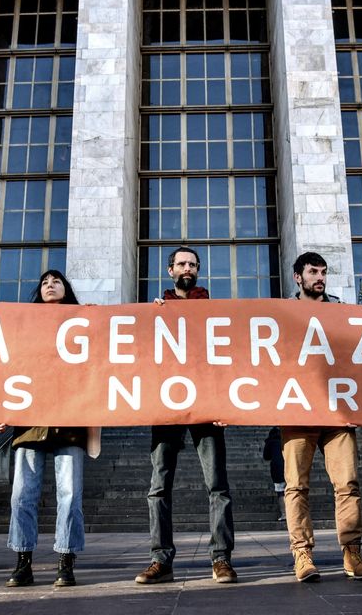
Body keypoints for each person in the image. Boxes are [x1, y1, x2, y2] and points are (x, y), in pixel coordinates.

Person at [135, 246, 237, 585]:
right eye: (181, 264)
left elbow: (227, 358)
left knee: (217, 485)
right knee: (158, 486)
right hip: (167, 404)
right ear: (170, 271)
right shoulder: (157, 311)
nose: (187, 268)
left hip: (207, 405)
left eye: (192, 264)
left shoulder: (213, 312)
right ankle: (160, 560)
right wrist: (150, 318)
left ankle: (221, 558)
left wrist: (225, 403)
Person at [0, 269, 98, 589]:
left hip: (69, 424)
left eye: (56, 281)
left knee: (69, 495)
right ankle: (23, 562)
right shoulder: (26, 327)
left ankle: (65, 562)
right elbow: (9, 368)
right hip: (29, 424)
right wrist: (1, 409)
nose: (50, 285)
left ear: (66, 289)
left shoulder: (83, 326)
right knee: (22, 495)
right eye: (44, 282)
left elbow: (96, 369)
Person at [280, 251, 362, 583]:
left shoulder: (342, 313)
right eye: (313, 272)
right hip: (297, 411)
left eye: (323, 272)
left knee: (347, 484)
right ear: (298, 277)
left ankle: (352, 553)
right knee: (296, 486)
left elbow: (357, 360)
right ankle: (302, 554)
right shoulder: (281, 315)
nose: (320, 277)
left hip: (337, 412)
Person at [262, 427, 286, 522]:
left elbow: (266, 456)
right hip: (289, 467)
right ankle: (294, 514)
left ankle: (284, 514)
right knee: (292, 490)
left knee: (281, 492)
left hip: (277, 469)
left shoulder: (270, 442)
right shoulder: (285, 440)